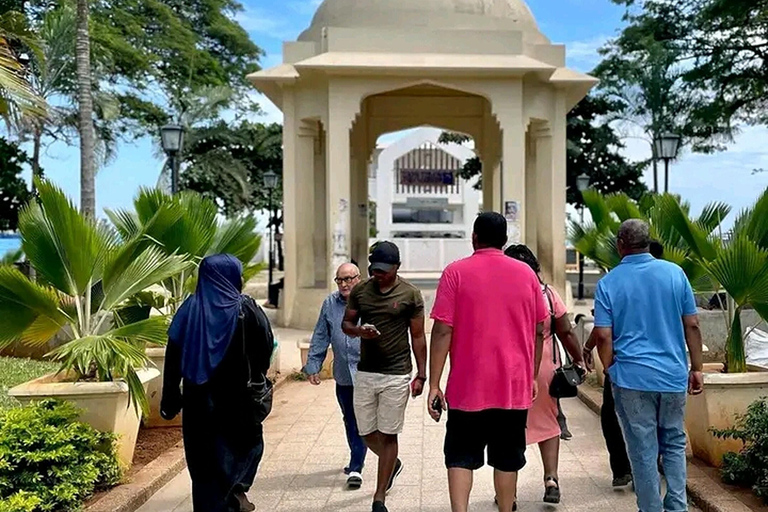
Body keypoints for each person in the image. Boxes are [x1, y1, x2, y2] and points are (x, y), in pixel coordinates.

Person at [428, 212, 548, 512]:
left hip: (467, 388)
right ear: (505, 240)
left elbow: (442, 330)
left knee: (459, 455)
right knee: (507, 458)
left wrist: (434, 383)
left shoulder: (455, 273)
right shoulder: (526, 275)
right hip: (512, 387)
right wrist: (531, 376)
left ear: (474, 238)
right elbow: (539, 328)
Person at [592, 220, 704, 512]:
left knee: (643, 449)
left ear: (620, 246)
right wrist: (697, 368)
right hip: (672, 375)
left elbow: (603, 335)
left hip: (631, 378)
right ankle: (678, 504)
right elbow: (691, 323)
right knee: (674, 441)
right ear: (647, 242)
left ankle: (651, 508)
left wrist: (610, 369)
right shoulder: (675, 274)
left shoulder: (608, 283)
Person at [161, 254, 275, 512]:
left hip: (198, 402)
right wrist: (257, 374)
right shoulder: (247, 309)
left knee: (203, 467)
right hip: (239, 402)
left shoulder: (189, 309)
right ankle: (235, 489)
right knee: (244, 448)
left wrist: (170, 398)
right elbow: (265, 349)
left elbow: (173, 356)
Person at [342, 241, 428, 512]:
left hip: (397, 373)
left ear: (397, 267)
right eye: (374, 270)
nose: (379, 275)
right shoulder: (361, 291)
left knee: (389, 434)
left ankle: (379, 497)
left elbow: (417, 336)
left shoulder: (410, 295)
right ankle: (392, 462)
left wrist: (422, 375)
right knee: (365, 431)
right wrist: (359, 332)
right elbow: (347, 323)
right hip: (366, 371)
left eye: (384, 270)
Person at [504, 244, 585, 504]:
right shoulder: (547, 294)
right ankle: (551, 478)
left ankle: (508, 493)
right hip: (542, 369)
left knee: (508, 428)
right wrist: (580, 358)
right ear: (535, 268)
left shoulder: (500, 294)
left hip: (506, 367)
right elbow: (566, 331)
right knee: (549, 422)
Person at [303, 262, 367, 489]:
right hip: (344, 376)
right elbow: (321, 335)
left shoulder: (370, 300)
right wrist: (313, 365)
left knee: (368, 422)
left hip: (369, 374)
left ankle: (365, 464)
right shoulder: (330, 304)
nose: (344, 284)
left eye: (349, 279)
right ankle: (357, 462)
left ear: (359, 278)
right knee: (350, 419)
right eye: (340, 280)